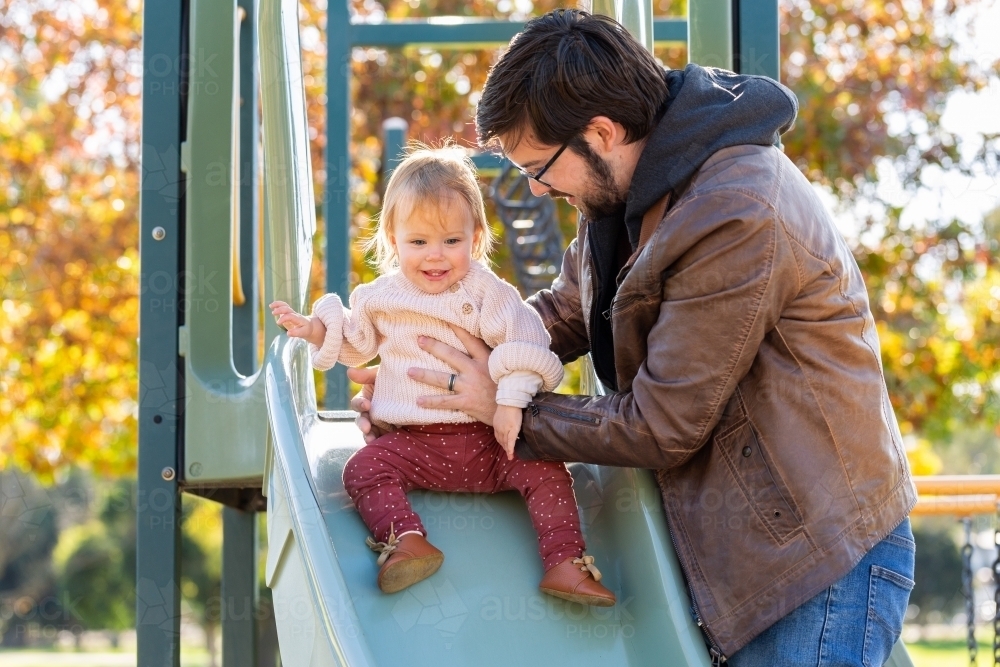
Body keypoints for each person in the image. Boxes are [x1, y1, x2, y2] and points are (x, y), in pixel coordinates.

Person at [350, 10, 917, 666]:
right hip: (756, 552)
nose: (537, 188)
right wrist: (428, 383)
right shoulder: (626, 199)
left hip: (812, 558)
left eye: (540, 166)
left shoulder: (736, 210)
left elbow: (660, 423)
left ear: (601, 131)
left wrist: (501, 405)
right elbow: (557, 316)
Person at [269, 145, 615, 606]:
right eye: (418, 242)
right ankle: (406, 540)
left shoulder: (487, 293)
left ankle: (565, 562)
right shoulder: (380, 298)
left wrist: (510, 402)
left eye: (451, 241)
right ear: (392, 239)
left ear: (474, 238)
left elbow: (525, 343)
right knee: (363, 469)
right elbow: (356, 341)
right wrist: (315, 330)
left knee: (548, 470)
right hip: (417, 446)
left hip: (493, 440)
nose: (435, 257)